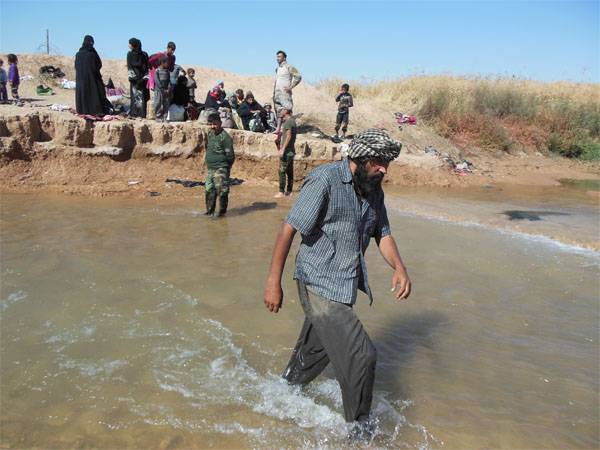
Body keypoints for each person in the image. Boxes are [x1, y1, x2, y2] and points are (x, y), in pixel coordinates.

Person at [263, 128, 411, 439]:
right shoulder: (326, 180)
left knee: (315, 353)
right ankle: (359, 434)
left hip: (343, 287)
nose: (384, 168)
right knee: (362, 355)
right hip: (317, 283)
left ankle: (280, 395)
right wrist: (273, 282)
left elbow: (382, 233)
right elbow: (288, 229)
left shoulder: (374, 189)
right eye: (378, 162)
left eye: (387, 163)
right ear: (358, 158)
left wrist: (399, 267)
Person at [204, 113, 235, 218]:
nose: (212, 126)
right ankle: (209, 212)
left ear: (220, 123)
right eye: (211, 124)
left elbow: (230, 156)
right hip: (210, 168)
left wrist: (226, 169)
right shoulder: (210, 133)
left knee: (221, 190)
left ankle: (222, 214)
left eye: (215, 124)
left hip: (221, 168)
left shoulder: (225, 137)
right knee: (209, 190)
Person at [74, 36, 109, 115]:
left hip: (80, 80)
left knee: (83, 94)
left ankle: (82, 110)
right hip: (91, 79)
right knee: (95, 91)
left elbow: (76, 67)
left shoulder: (78, 54)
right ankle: (96, 110)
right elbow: (98, 65)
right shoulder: (92, 54)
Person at [273, 50, 301, 133]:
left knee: (287, 109)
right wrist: (274, 91)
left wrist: (290, 87)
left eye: (279, 56)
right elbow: (277, 80)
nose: (277, 58)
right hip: (277, 92)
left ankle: (289, 128)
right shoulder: (277, 68)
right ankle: (278, 129)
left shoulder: (289, 67)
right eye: (277, 57)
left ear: (284, 57)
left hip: (284, 92)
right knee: (278, 110)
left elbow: (298, 76)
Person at [275, 108, 296, 198]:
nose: (280, 112)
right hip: (290, 151)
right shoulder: (292, 121)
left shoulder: (288, 122)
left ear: (286, 113)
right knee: (289, 171)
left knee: (282, 171)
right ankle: (289, 191)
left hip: (287, 152)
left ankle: (281, 191)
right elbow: (287, 135)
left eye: (282, 111)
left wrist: (282, 149)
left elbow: (289, 135)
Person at [126, 37, 149, 118]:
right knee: (139, 97)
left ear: (133, 45)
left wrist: (136, 80)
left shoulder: (130, 54)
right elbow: (146, 68)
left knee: (138, 96)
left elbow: (130, 67)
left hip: (136, 80)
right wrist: (143, 79)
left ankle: (136, 114)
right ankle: (140, 114)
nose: (128, 45)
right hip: (140, 80)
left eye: (130, 43)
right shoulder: (144, 54)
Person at [153, 55, 171, 121]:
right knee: (158, 103)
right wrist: (162, 89)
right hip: (159, 90)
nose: (168, 64)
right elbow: (156, 80)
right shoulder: (157, 71)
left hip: (166, 91)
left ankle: (165, 117)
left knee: (166, 104)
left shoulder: (167, 71)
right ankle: (158, 116)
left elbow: (169, 80)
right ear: (162, 63)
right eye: (167, 62)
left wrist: (169, 88)